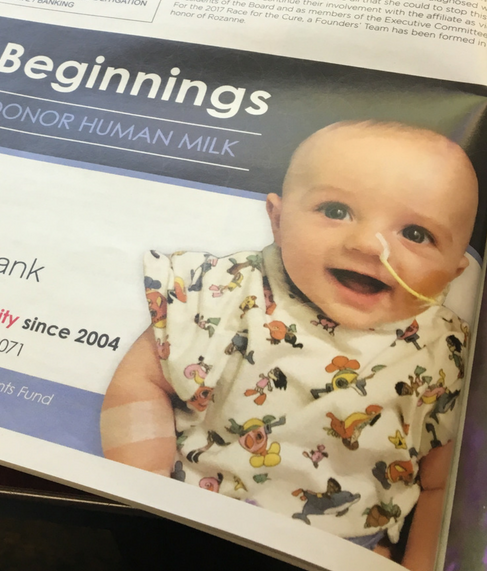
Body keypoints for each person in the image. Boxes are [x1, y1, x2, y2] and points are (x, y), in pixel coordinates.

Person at [101, 121, 477, 570]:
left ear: (454, 275)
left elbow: (444, 483)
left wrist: (417, 562)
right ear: (277, 220)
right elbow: (144, 377)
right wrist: (145, 484)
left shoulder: (449, 353)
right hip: (195, 513)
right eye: (335, 210)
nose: (366, 246)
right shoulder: (233, 292)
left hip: (349, 549)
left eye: (415, 234)